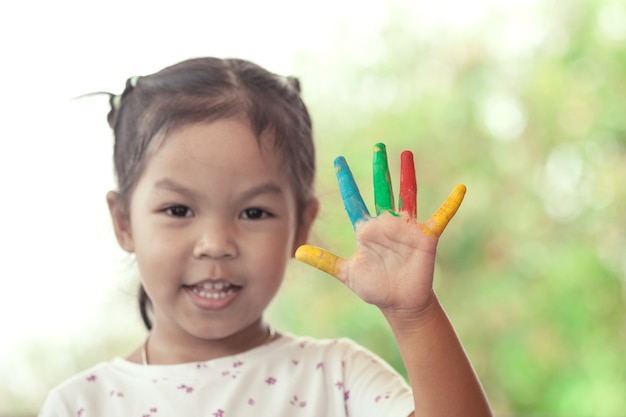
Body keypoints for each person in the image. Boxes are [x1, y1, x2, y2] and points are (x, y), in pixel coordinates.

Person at [39, 57, 492, 416]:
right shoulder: (81, 405)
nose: (216, 243)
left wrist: (413, 315)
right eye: (178, 210)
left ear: (301, 225)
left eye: (254, 212)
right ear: (124, 223)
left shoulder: (336, 377)